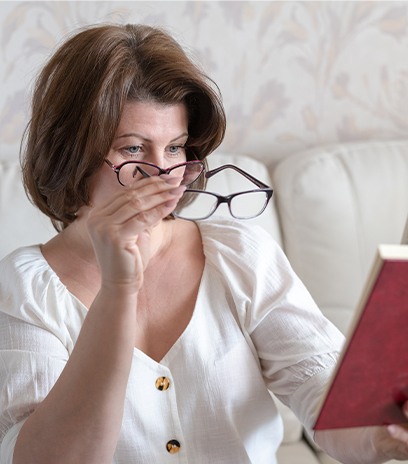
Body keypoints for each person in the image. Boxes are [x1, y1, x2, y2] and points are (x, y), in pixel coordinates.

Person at [0, 22, 407, 464]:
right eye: (134, 149)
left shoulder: (237, 255)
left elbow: (323, 394)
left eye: (175, 149)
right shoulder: (25, 292)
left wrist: (383, 434)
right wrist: (118, 291)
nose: (163, 175)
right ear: (71, 154)